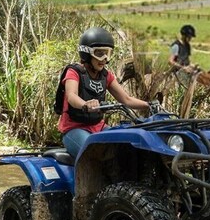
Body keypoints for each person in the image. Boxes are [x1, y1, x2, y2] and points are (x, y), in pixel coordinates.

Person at [59, 27, 151, 158]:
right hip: (74, 129)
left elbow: (126, 99)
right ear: (87, 53)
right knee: (94, 153)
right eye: (99, 53)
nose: (104, 58)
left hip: (99, 127)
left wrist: (149, 104)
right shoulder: (74, 72)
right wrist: (85, 104)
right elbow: (71, 96)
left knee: (126, 146)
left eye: (108, 53)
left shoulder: (106, 76)